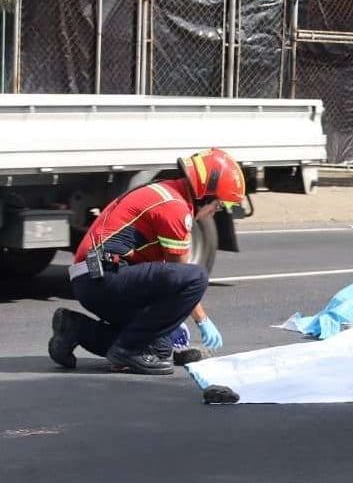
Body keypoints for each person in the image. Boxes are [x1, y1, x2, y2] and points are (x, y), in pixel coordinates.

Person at [47, 148, 242, 375]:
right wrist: (202, 321)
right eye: (219, 205)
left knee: (159, 349)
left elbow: (160, 278)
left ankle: (76, 328)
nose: (215, 212)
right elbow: (181, 277)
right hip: (103, 277)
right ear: (205, 194)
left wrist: (166, 323)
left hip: (91, 277)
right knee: (196, 277)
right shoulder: (175, 208)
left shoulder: (163, 192)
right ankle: (126, 350)